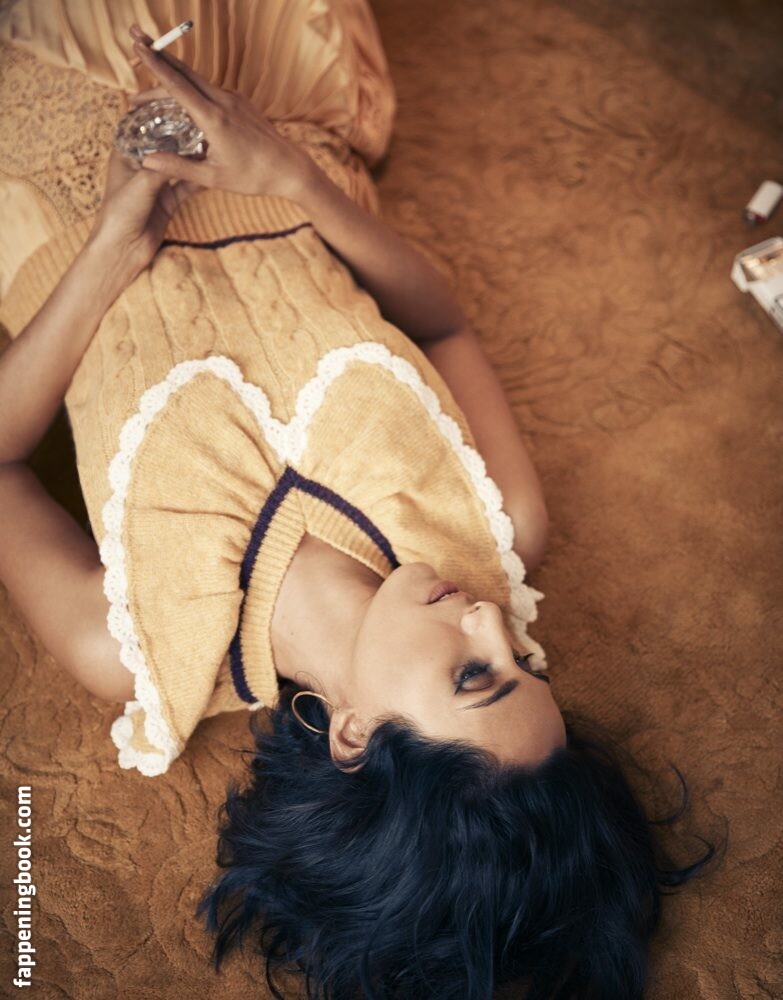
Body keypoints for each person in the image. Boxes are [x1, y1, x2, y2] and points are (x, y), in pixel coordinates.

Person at [0, 3, 716, 997]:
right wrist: (292, 176)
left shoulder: (132, 647)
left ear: (352, 737)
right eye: (524, 660)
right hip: (276, 105)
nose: (490, 619)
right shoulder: (500, 525)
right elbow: (445, 323)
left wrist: (111, 252)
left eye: (474, 675)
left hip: (42, 197)